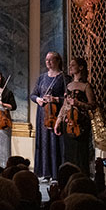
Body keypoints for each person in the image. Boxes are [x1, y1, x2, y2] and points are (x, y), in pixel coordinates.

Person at [54, 57, 95, 176]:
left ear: (81, 67)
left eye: (73, 65)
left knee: (80, 154)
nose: (70, 67)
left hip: (80, 123)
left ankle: (81, 179)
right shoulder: (69, 85)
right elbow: (64, 106)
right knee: (69, 153)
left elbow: (93, 105)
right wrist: (58, 121)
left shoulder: (86, 86)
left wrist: (78, 103)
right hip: (68, 123)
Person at [30, 51, 66, 180]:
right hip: (43, 114)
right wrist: (38, 100)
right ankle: (45, 173)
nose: (48, 62)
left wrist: (56, 99)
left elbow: (67, 98)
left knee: (55, 143)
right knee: (44, 143)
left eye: (51, 60)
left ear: (57, 61)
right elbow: (33, 95)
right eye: (46, 60)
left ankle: (56, 174)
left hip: (56, 114)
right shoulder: (42, 77)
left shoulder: (63, 78)